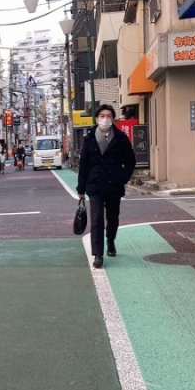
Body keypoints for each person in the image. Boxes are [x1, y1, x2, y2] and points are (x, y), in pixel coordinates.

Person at [77, 104, 136, 269]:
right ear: (97, 119)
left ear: (113, 118)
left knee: (113, 218)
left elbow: (130, 161)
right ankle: (98, 254)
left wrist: (123, 178)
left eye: (109, 116)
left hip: (114, 186)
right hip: (95, 186)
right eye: (102, 116)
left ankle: (110, 240)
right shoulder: (89, 139)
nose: (105, 119)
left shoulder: (121, 138)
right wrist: (81, 189)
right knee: (96, 219)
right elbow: (84, 166)